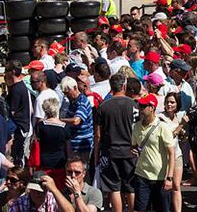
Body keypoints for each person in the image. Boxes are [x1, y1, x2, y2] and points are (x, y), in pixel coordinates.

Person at [95, 74, 136, 212]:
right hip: (131, 152)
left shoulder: (103, 106)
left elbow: (98, 135)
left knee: (114, 188)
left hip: (110, 152)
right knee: (130, 186)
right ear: (124, 86)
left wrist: (96, 155)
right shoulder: (134, 105)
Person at [131, 94, 175, 212]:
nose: (140, 108)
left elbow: (171, 153)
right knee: (139, 209)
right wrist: (133, 150)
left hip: (160, 178)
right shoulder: (136, 126)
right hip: (142, 175)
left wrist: (169, 178)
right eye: (139, 105)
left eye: (143, 106)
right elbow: (134, 146)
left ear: (152, 108)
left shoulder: (162, 127)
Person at [4, 59, 32, 166]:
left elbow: (12, 111)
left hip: (18, 129)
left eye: (7, 70)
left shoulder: (16, 89)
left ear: (13, 72)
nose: (5, 74)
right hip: (23, 127)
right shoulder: (22, 87)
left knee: (17, 158)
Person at [60, 77, 94, 163]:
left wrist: (60, 120)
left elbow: (76, 121)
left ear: (75, 88)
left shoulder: (82, 102)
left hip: (82, 146)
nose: (66, 96)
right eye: (65, 93)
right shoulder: (72, 102)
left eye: (68, 93)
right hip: (73, 145)